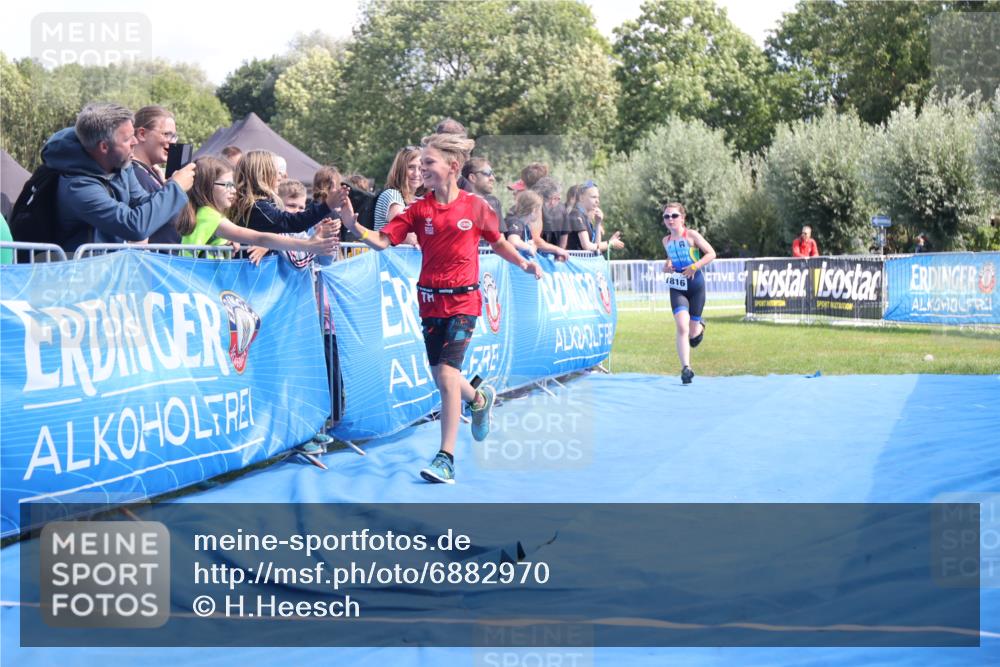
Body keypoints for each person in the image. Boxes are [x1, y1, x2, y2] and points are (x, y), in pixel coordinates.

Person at [341, 132, 543, 484]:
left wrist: (524, 263)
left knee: (448, 375)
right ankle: (479, 399)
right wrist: (350, 224)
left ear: (452, 167)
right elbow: (381, 241)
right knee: (441, 376)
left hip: (465, 301)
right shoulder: (418, 209)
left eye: (428, 163)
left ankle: (445, 458)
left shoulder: (477, 207)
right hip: (429, 302)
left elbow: (496, 244)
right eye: (419, 164)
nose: (421, 169)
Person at [42, 103, 194, 252]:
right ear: (104, 147)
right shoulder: (78, 187)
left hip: (106, 269)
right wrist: (176, 188)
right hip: (79, 272)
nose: (135, 141)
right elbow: (134, 226)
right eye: (127, 139)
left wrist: (169, 188)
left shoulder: (120, 167)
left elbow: (142, 202)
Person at [176, 156, 338, 259]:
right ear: (206, 185)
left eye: (233, 184)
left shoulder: (210, 213)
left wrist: (225, 245)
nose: (233, 189)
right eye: (227, 185)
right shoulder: (209, 214)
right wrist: (307, 245)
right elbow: (259, 238)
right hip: (197, 284)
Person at [661, 202, 716, 385]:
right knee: (682, 327)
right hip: (678, 287)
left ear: (682, 218)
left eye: (674, 216)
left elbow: (711, 254)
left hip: (696, 286)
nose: (670, 219)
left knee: (693, 334)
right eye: (667, 216)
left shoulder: (691, 235)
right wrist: (667, 266)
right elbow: (670, 260)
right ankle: (686, 368)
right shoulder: (666, 241)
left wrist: (694, 266)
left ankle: (699, 326)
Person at [229, 150, 345, 234]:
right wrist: (327, 205)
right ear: (261, 175)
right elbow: (290, 222)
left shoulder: (257, 205)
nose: (280, 177)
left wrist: (315, 231)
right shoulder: (256, 207)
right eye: (275, 172)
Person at [131, 105, 182, 244]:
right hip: (150, 263)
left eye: (174, 136)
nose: (173, 142)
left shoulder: (149, 173)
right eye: (166, 134)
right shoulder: (134, 174)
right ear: (142, 134)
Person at [372, 147, 421, 245]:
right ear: (400, 170)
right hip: (390, 258)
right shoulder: (392, 195)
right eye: (411, 167)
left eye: (421, 168)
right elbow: (407, 237)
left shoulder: (418, 199)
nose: (417, 173)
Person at [503, 190, 569, 261]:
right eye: (540, 210)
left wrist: (556, 250)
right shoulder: (515, 221)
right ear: (534, 210)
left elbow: (535, 245)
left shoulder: (526, 227)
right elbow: (514, 241)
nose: (540, 214)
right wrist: (528, 247)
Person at [563, 180, 624, 253]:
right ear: (581, 198)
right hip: (574, 262)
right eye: (593, 197)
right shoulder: (576, 214)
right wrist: (610, 243)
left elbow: (596, 247)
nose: (597, 201)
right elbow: (587, 246)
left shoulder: (585, 217)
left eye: (598, 198)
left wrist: (598, 223)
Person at [462, 157, 503, 223]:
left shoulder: (493, 202)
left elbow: (500, 233)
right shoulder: (456, 203)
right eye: (487, 173)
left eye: (493, 174)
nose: (492, 178)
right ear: (472, 177)